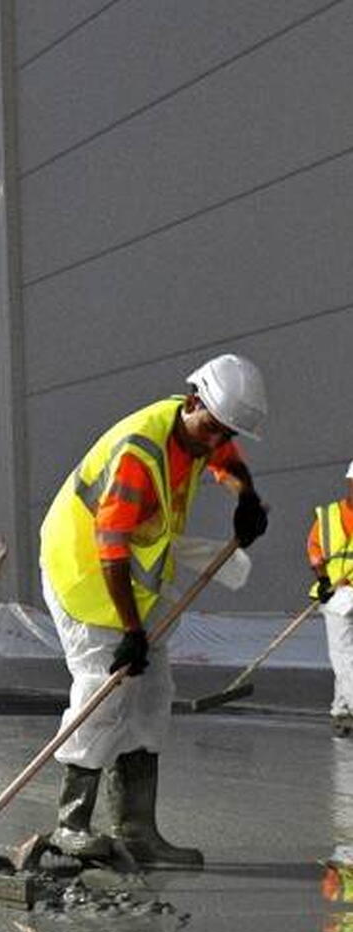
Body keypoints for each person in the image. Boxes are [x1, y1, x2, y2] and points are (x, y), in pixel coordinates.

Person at [39, 354, 269, 866]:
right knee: (104, 695)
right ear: (192, 403)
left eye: (224, 431)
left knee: (152, 697)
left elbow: (225, 456)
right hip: (86, 575)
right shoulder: (139, 454)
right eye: (212, 427)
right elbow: (113, 546)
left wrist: (246, 496)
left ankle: (138, 831)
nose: (215, 441)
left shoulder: (193, 431)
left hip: (136, 586)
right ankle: (70, 824)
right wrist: (130, 631)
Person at [305, 461, 353, 737]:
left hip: (337, 593)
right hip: (337, 595)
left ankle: (341, 711)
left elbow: (315, 552)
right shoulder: (327, 516)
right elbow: (315, 552)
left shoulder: (329, 515)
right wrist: (324, 581)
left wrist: (323, 577)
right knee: (345, 655)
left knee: (344, 655)